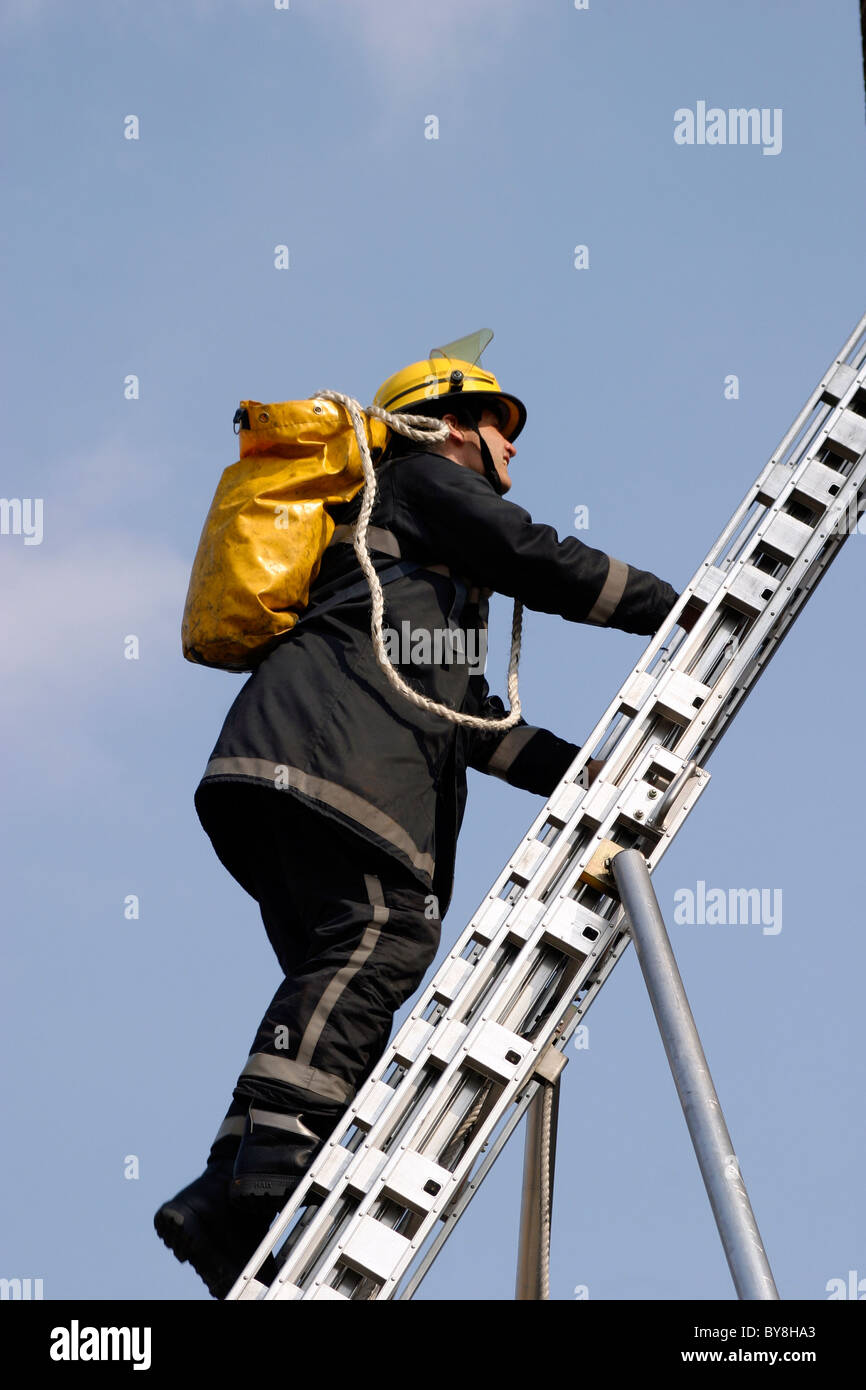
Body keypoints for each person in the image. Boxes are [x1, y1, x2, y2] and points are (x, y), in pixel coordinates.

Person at [154, 339, 685, 1298]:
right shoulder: (419, 484)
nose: (512, 453)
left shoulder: (410, 575)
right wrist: (676, 611)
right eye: (500, 429)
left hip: (284, 768)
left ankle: (223, 1197)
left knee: (342, 964)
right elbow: (540, 557)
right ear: (448, 426)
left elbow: (467, 721)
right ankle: (277, 1156)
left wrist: (579, 773)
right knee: (385, 933)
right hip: (329, 762)